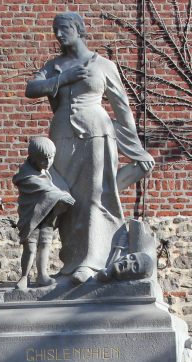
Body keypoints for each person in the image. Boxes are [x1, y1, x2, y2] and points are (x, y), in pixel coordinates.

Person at [25, 12, 155, 285]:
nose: (58, 35)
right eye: (55, 30)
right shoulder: (55, 66)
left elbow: (123, 109)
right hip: (60, 136)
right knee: (66, 199)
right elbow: (32, 88)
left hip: (97, 132)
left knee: (95, 195)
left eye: (63, 29)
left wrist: (135, 148)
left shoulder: (103, 65)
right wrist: (64, 78)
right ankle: (70, 263)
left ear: (78, 29)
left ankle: (92, 261)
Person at [12, 137, 75, 289]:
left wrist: (63, 195)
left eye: (51, 158)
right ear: (33, 158)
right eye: (43, 160)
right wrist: (61, 196)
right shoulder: (27, 175)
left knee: (46, 243)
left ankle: (42, 275)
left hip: (47, 215)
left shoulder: (48, 172)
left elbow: (57, 187)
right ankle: (24, 277)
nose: (47, 163)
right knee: (31, 247)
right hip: (31, 217)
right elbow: (47, 190)